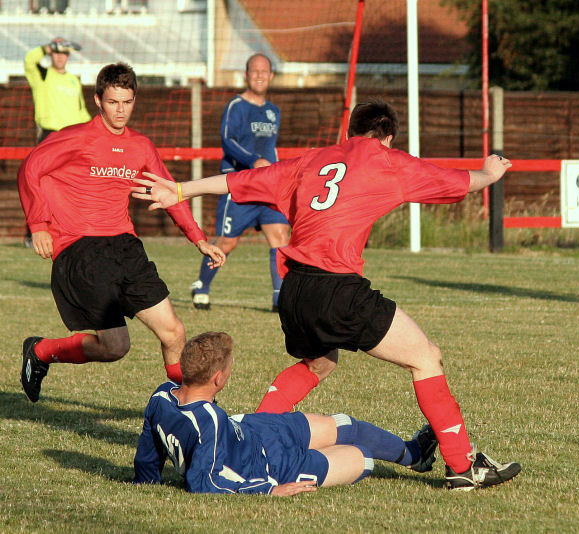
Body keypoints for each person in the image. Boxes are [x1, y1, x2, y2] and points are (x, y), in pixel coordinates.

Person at [132, 100, 521, 491]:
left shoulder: (313, 160)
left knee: (320, 363)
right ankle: (464, 466)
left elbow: (239, 182)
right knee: (426, 357)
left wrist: (180, 189)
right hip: (337, 289)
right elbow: (455, 181)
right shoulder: (387, 160)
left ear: (349, 132)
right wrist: (489, 173)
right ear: (386, 138)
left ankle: (252, 437)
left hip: (295, 289)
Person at [17, 63, 226, 404]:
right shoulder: (76, 137)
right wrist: (39, 225)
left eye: (127, 102)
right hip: (81, 250)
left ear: (134, 100)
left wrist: (198, 238)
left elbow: (168, 191)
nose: (120, 110)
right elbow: (31, 168)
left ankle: (191, 408)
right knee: (115, 347)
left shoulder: (141, 146)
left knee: (174, 333)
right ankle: (41, 351)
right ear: (98, 100)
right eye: (113, 102)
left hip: (125, 248)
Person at [133, 331, 438, 495]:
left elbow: (150, 445)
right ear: (218, 379)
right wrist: (270, 491)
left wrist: (146, 480)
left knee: (346, 425)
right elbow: (206, 483)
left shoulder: (162, 395)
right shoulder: (208, 421)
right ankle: (389, 456)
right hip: (272, 468)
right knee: (362, 457)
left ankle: (415, 454)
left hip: (257, 430)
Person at [190, 53, 290, 312]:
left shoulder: (273, 112)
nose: (259, 75)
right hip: (240, 185)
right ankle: (201, 286)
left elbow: (271, 148)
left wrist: (278, 173)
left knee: (280, 237)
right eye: (254, 71)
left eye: (264, 71)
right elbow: (227, 140)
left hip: (267, 187)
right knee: (227, 243)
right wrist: (252, 159)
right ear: (246, 75)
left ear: (271, 76)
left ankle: (279, 299)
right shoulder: (236, 106)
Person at [23, 37, 92, 247]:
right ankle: (33, 232)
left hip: (73, 140)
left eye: (64, 53)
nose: (60, 57)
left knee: (74, 185)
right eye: (56, 53)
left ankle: (73, 229)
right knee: (40, 185)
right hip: (50, 137)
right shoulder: (43, 75)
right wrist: (46, 46)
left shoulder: (73, 80)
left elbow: (82, 112)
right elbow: (29, 60)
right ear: (51, 54)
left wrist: (93, 132)